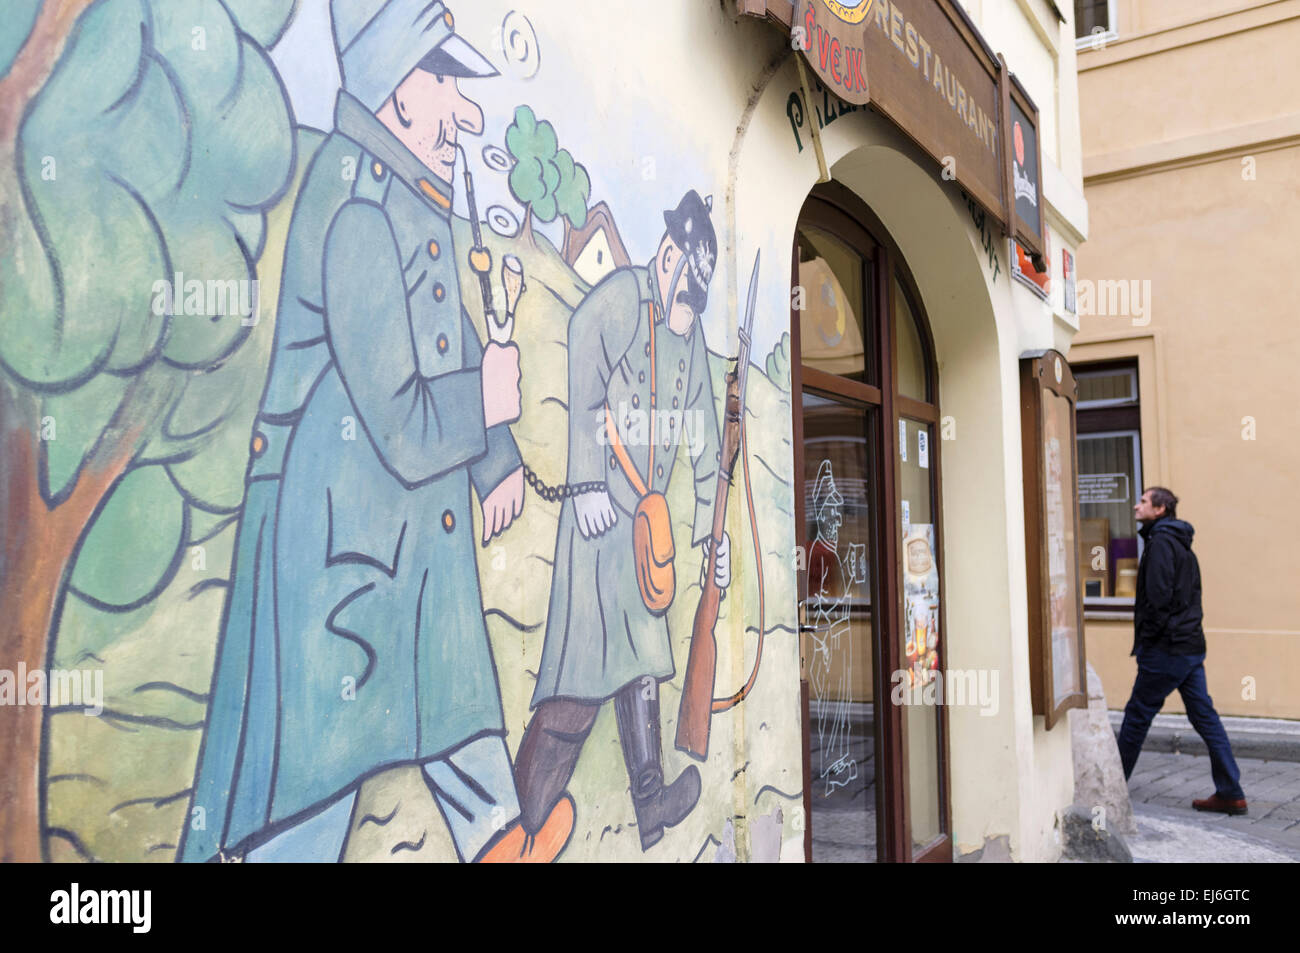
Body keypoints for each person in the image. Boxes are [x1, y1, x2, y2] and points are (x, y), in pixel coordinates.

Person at [179, 0, 573, 863]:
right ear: (396, 92)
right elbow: (399, 417)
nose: (467, 115)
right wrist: (491, 405)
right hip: (334, 551)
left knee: (452, 695)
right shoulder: (357, 204)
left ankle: (502, 837)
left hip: (406, 537)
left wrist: (497, 459)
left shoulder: (411, 193)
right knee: (314, 771)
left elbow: (453, 342)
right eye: (446, 84)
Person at [508, 190, 729, 854]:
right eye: (685, 294)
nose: (687, 314)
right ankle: (522, 813)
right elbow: (579, 344)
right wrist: (581, 480)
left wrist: (711, 543)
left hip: (647, 537)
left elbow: (708, 441)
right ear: (668, 257)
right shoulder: (621, 299)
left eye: (697, 302)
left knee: (641, 666)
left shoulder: (689, 336)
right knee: (578, 682)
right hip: (600, 520)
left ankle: (650, 803)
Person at [1116, 487, 1247, 815]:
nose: (1136, 505)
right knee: (1205, 717)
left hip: (1167, 649)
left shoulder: (1160, 543)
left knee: (1136, 717)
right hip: (1189, 646)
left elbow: (1159, 599)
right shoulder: (1180, 543)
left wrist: (1151, 641)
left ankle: (1110, 789)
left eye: (1144, 501)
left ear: (1159, 509)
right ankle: (1231, 793)